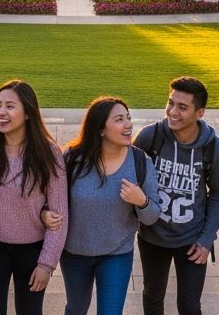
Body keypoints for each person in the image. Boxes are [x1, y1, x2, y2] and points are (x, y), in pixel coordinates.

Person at [0, 80, 69, 315]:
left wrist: (47, 264)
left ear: (27, 113)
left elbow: (59, 215)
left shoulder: (49, 154)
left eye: (10, 106)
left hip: (31, 252)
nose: (1, 112)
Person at [134, 76, 219, 315]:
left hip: (192, 239)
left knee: (189, 305)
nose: (172, 112)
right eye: (170, 103)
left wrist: (207, 238)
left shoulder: (213, 148)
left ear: (200, 113)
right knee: (153, 298)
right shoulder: (149, 137)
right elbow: (130, 182)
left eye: (182, 107)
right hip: (153, 237)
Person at [60, 95, 162, 315]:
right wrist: (45, 214)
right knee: (76, 309)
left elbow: (152, 216)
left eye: (128, 118)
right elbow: (52, 199)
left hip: (117, 254)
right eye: (119, 120)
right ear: (100, 129)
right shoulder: (71, 159)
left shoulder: (140, 162)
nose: (128, 125)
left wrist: (141, 200)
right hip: (74, 253)